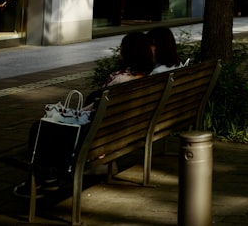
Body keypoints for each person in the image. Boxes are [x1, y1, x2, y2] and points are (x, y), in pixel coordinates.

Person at [14, 32, 155, 197]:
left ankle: (43, 180)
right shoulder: (148, 79)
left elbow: (95, 114)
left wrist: (75, 113)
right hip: (121, 134)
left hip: (97, 139)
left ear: (127, 52)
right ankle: (46, 178)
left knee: (40, 128)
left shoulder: (120, 81)